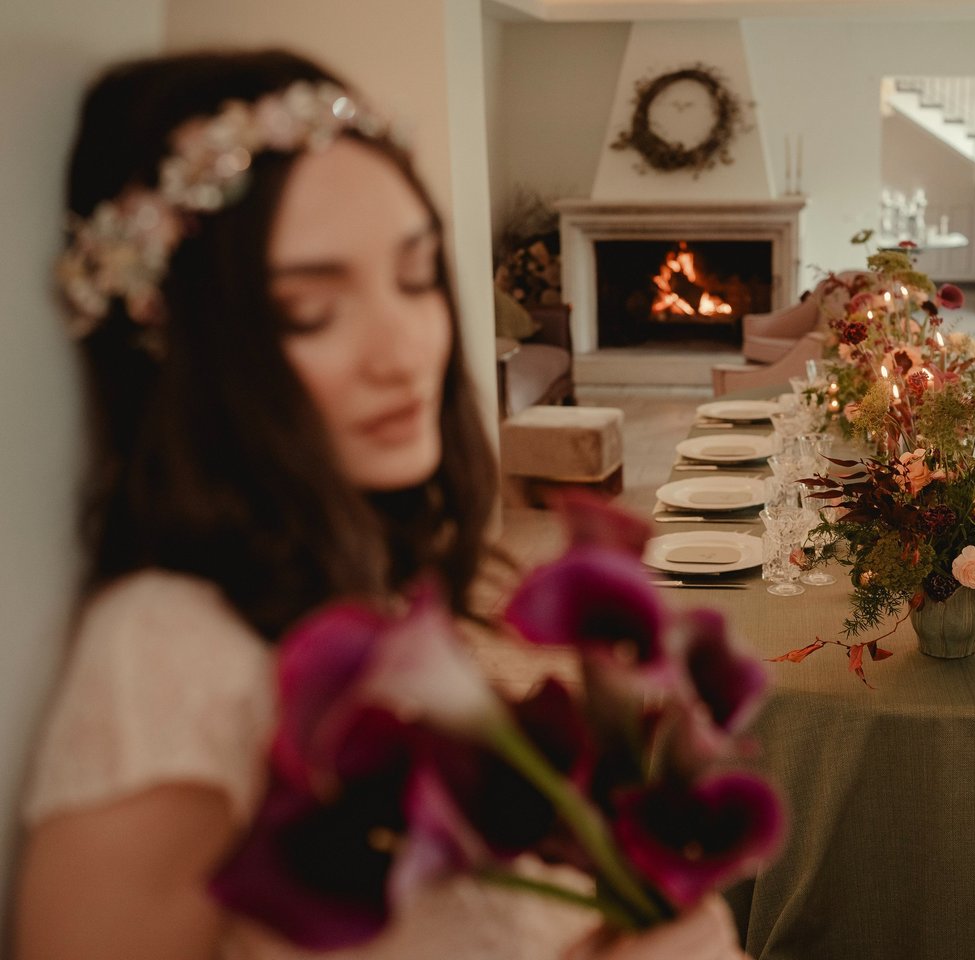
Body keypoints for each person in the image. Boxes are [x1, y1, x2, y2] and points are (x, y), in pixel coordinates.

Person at [14, 49, 743, 960]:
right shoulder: (166, 655)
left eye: (416, 277)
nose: (404, 352)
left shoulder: (353, 578)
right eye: (311, 312)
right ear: (189, 344)